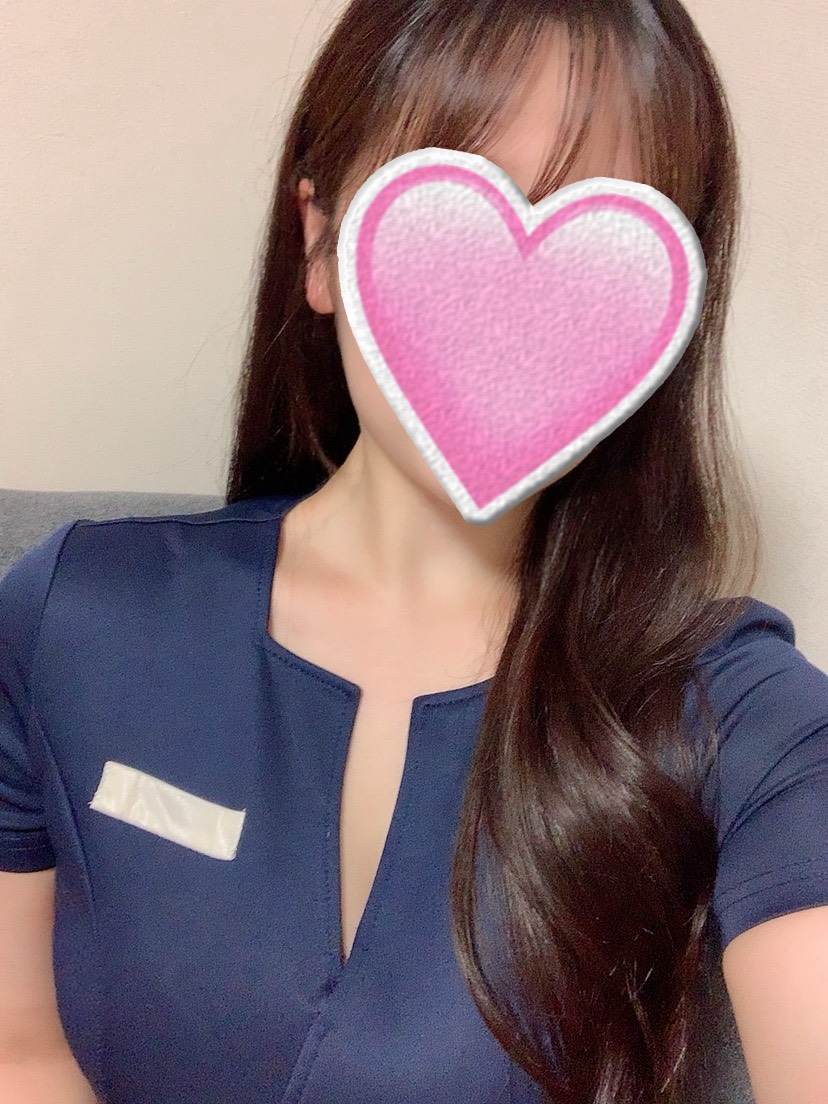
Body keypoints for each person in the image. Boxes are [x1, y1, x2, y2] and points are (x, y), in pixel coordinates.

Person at [2, 1, 828, 1102]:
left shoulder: (736, 710)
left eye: (605, 242)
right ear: (321, 243)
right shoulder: (76, 615)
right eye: (450, 204)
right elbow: (21, 1050)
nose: (510, 321)